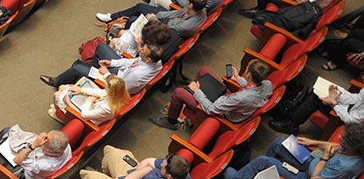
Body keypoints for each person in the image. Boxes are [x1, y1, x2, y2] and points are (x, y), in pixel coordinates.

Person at [149, 60, 272, 130]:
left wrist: (197, 91)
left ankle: (171, 121)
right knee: (204, 70)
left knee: (178, 93)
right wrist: (238, 78)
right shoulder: (267, 84)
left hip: (219, 110)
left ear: (249, 75)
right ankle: (188, 95)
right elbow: (253, 88)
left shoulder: (241, 97)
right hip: (229, 101)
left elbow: (211, 109)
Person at [42, 29, 164, 95]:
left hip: (115, 84)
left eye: (142, 51)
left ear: (148, 59)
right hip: (121, 72)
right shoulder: (155, 61)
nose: (140, 50)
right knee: (101, 47)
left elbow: (118, 90)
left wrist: (106, 74)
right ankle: (91, 71)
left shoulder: (136, 76)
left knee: (76, 69)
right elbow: (131, 62)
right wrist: (112, 63)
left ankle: (57, 81)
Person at [223, 124, 364, 179]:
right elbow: (334, 145)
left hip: (306, 176)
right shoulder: (355, 149)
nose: (339, 137)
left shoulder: (345, 166)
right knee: (279, 142)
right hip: (311, 161)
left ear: (351, 145)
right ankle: (260, 175)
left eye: (343, 138)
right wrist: (312, 142)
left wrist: (325, 159)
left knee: (262, 161)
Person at [0, 127, 70, 179]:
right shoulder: (65, 145)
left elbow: (18, 160)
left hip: (22, 172)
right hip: (34, 157)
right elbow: (38, 138)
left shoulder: (44, 165)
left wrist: (33, 146)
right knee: (7, 130)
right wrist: (39, 138)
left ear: (51, 149)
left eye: (46, 138)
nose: (44, 135)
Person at [269, 80, 364, 134]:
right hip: (349, 108)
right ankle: (290, 116)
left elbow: (352, 121)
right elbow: (357, 98)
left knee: (315, 99)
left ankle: (291, 125)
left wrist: (334, 104)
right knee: (318, 91)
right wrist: (338, 97)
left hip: (351, 123)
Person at [52, 74, 129, 125]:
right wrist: (81, 90)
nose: (105, 87)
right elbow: (100, 92)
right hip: (92, 105)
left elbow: (84, 115)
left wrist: (88, 101)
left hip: (87, 115)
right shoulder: (118, 94)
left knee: (57, 95)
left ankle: (58, 114)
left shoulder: (107, 108)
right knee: (62, 87)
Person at [79, 147, 191, 179]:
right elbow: (148, 161)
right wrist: (142, 170)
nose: (161, 164)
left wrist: (148, 168)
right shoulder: (177, 167)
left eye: (163, 166)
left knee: (88, 174)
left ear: (169, 176)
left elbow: (150, 165)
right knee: (112, 152)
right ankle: (106, 173)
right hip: (135, 173)